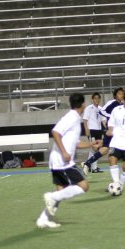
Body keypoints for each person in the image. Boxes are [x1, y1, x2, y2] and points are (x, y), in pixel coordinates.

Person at [36, 93, 102, 229]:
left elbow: (75, 143)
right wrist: (65, 152)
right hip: (63, 161)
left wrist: (90, 144)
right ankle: (52, 197)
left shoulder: (75, 118)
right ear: (83, 104)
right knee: (84, 186)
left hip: (57, 161)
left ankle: (43, 219)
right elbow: (55, 133)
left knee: (61, 191)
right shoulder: (71, 117)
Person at [82, 92, 106, 173]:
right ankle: (91, 166)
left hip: (98, 130)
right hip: (91, 130)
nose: (97, 100)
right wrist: (86, 130)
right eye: (95, 98)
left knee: (97, 148)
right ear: (92, 99)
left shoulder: (101, 109)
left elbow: (103, 121)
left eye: (98, 98)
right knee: (94, 148)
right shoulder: (89, 108)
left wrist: (107, 129)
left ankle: (89, 165)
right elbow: (85, 120)